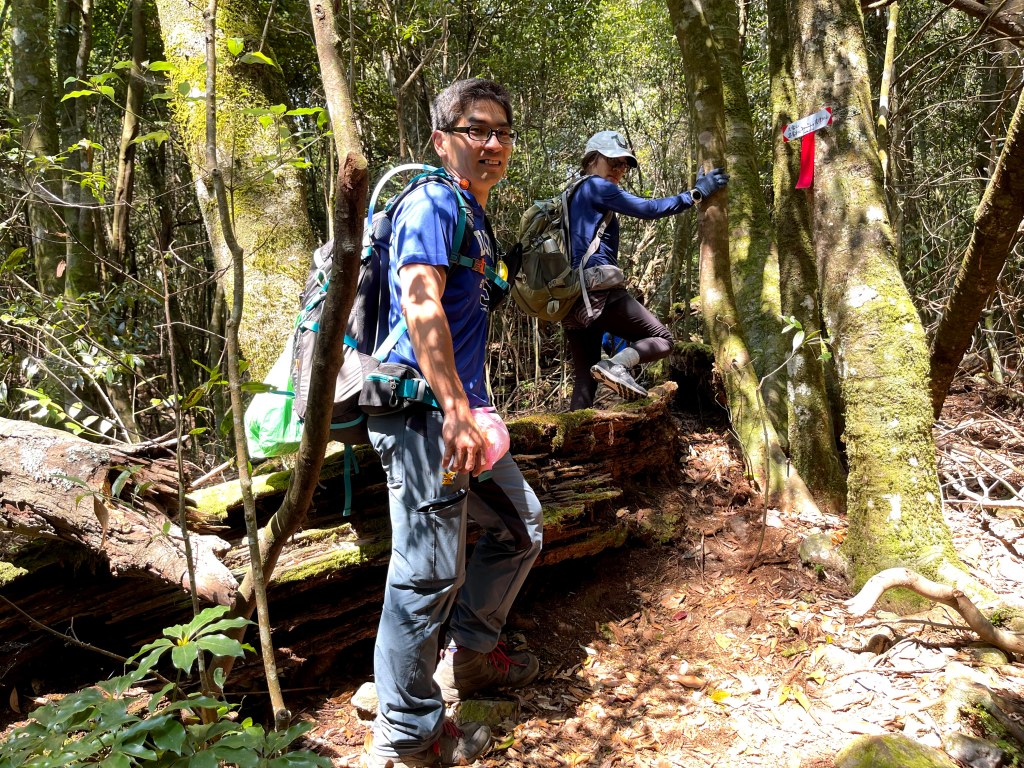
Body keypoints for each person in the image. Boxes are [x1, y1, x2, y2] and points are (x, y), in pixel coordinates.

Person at [362, 79, 544, 768]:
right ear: (442, 140)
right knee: (426, 574)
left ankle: (469, 654)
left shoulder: (473, 214)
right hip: (423, 412)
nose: (492, 143)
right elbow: (421, 303)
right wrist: (455, 409)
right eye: (476, 129)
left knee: (521, 527)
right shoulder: (433, 201)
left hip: (460, 414)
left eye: (501, 131)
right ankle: (407, 735)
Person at [564, 130, 728, 410]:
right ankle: (615, 366)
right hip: (598, 291)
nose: (619, 170)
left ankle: (575, 437)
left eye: (623, 165)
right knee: (663, 339)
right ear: (592, 160)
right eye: (612, 162)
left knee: (584, 380)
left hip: (571, 298)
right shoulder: (596, 186)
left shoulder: (571, 193)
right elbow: (649, 208)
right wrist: (696, 194)